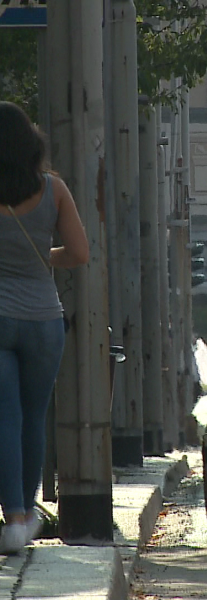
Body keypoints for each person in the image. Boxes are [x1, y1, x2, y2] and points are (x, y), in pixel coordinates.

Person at [0, 102, 89, 555]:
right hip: (44, 321)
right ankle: (26, 516)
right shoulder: (53, 190)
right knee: (34, 418)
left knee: (5, 417)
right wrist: (43, 257)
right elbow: (78, 252)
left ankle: (12, 514)